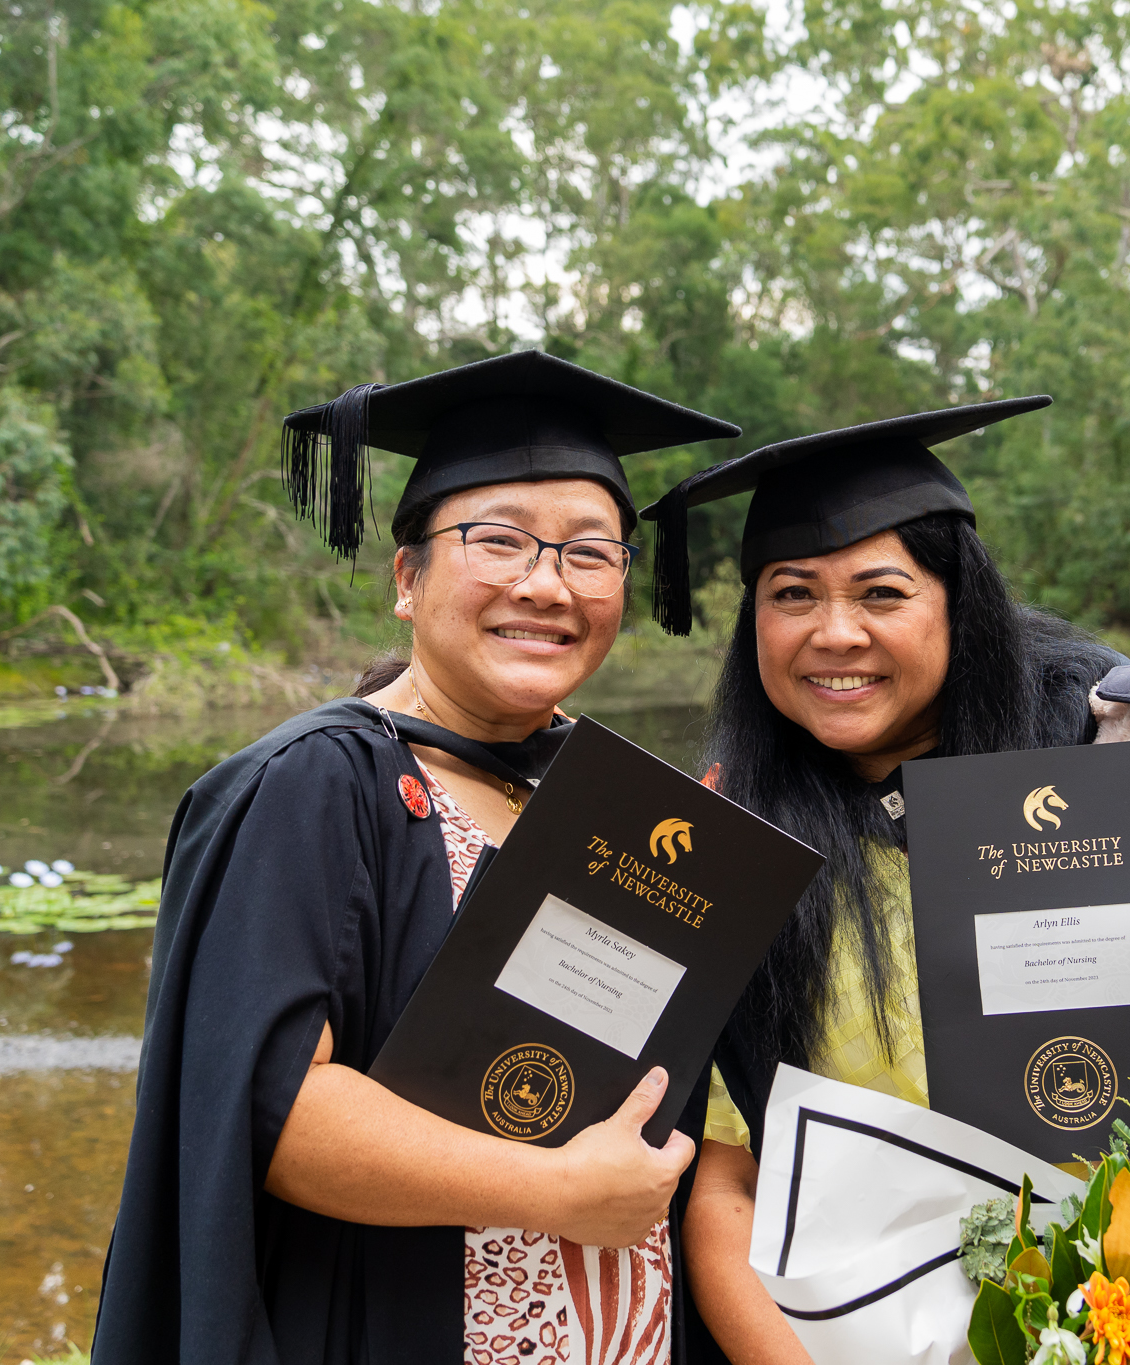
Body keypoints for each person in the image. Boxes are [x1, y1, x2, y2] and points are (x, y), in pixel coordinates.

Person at [638, 397, 1130, 1363]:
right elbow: (728, 1175)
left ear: (960, 605)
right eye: (791, 594)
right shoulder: (739, 833)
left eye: (882, 593)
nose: (834, 633)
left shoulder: (1100, 735)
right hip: (860, 1316)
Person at [92, 350, 739, 1365]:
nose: (545, 584)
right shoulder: (315, 783)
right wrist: (557, 1193)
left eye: (588, 552)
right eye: (499, 542)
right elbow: (271, 1108)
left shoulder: (611, 799)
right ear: (406, 577)